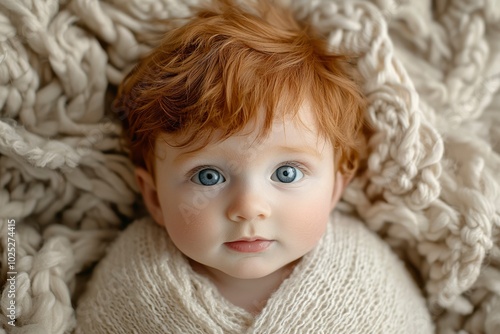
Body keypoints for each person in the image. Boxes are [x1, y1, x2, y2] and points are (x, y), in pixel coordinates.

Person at [75, 0, 435, 332]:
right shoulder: (131, 283)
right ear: (154, 198)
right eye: (208, 176)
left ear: (335, 189)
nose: (248, 207)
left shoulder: (366, 277)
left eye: (286, 173)